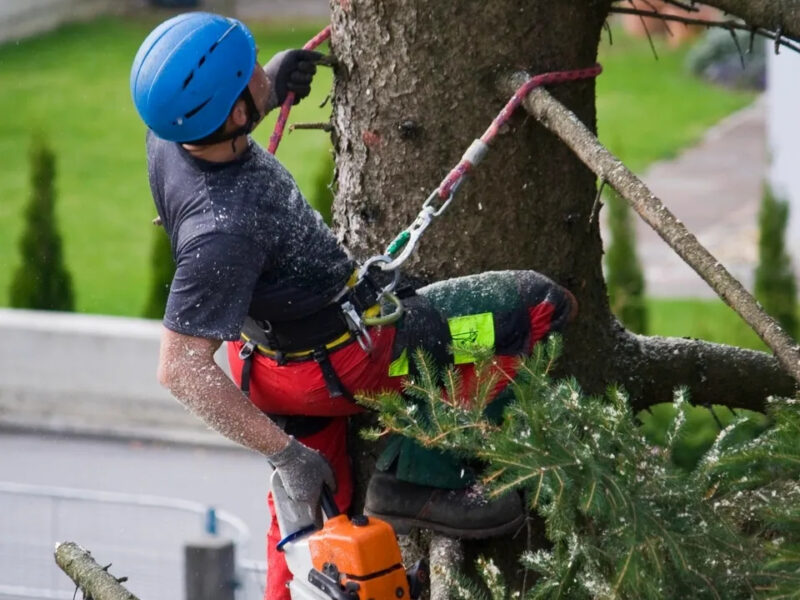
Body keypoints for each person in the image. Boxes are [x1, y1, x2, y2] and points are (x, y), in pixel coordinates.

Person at [131, 12, 578, 600]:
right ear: (234, 115)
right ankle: (421, 477)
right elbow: (180, 368)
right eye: (250, 71)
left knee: (309, 535)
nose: (260, 65)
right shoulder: (223, 229)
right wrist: (284, 454)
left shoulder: (170, 134)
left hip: (268, 367)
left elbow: (219, 118)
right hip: (351, 364)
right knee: (535, 307)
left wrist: (269, 84)